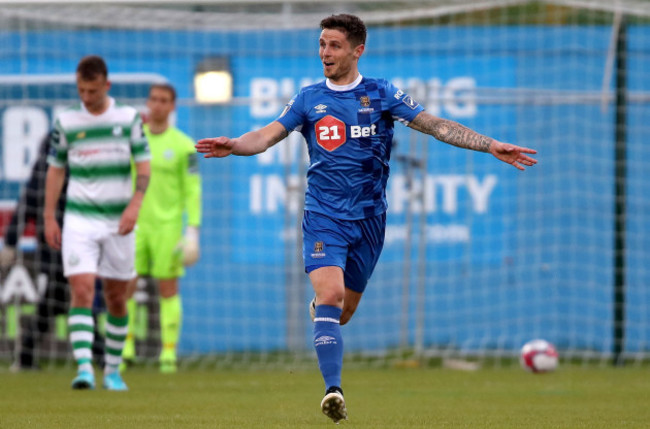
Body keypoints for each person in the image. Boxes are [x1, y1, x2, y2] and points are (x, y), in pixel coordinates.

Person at [195, 14, 537, 423]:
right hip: (324, 216)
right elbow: (266, 135)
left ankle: (324, 313)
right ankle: (333, 391)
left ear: (358, 50)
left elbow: (436, 126)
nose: (325, 53)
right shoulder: (308, 98)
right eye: (322, 44)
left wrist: (490, 145)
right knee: (332, 296)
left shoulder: (381, 93)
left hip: (370, 220)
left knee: (342, 312)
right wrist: (235, 144)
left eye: (334, 45)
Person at [44, 55, 150, 391]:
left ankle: (113, 371)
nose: (86, 98)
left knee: (117, 297)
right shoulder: (67, 122)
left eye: (92, 91)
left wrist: (135, 205)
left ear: (107, 85)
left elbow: (144, 167)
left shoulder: (129, 118)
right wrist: (49, 216)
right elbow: (56, 169)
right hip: (79, 219)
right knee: (82, 289)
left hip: (119, 221)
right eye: (81, 91)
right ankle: (85, 369)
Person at [0, 132, 105, 372]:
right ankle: (101, 357)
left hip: (78, 241)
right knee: (71, 298)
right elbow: (29, 201)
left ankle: (26, 358)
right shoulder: (46, 170)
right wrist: (11, 241)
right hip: (54, 244)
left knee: (60, 300)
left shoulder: (82, 172)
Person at [121, 83, 202, 374]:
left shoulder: (182, 145)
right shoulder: (135, 141)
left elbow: (192, 190)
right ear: (147, 103)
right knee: (125, 284)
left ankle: (168, 353)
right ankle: (125, 348)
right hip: (135, 224)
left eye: (163, 100)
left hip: (168, 226)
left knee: (167, 288)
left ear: (172, 107)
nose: (157, 105)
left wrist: (192, 229)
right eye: (153, 99)